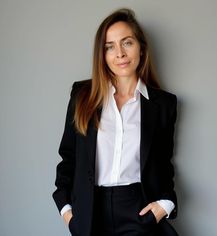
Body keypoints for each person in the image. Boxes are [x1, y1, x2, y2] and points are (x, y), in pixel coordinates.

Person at [53, 8, 178, 236]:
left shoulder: (163, 104)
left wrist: (166, 204)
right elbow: (68, 158)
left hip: (139, 211)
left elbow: (163, 163)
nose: (119, 53)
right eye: (109, 46)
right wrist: (67, 212)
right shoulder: (82, 95)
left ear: (141, 47)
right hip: (90, 213)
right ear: (102, 54)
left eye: (127, 43)